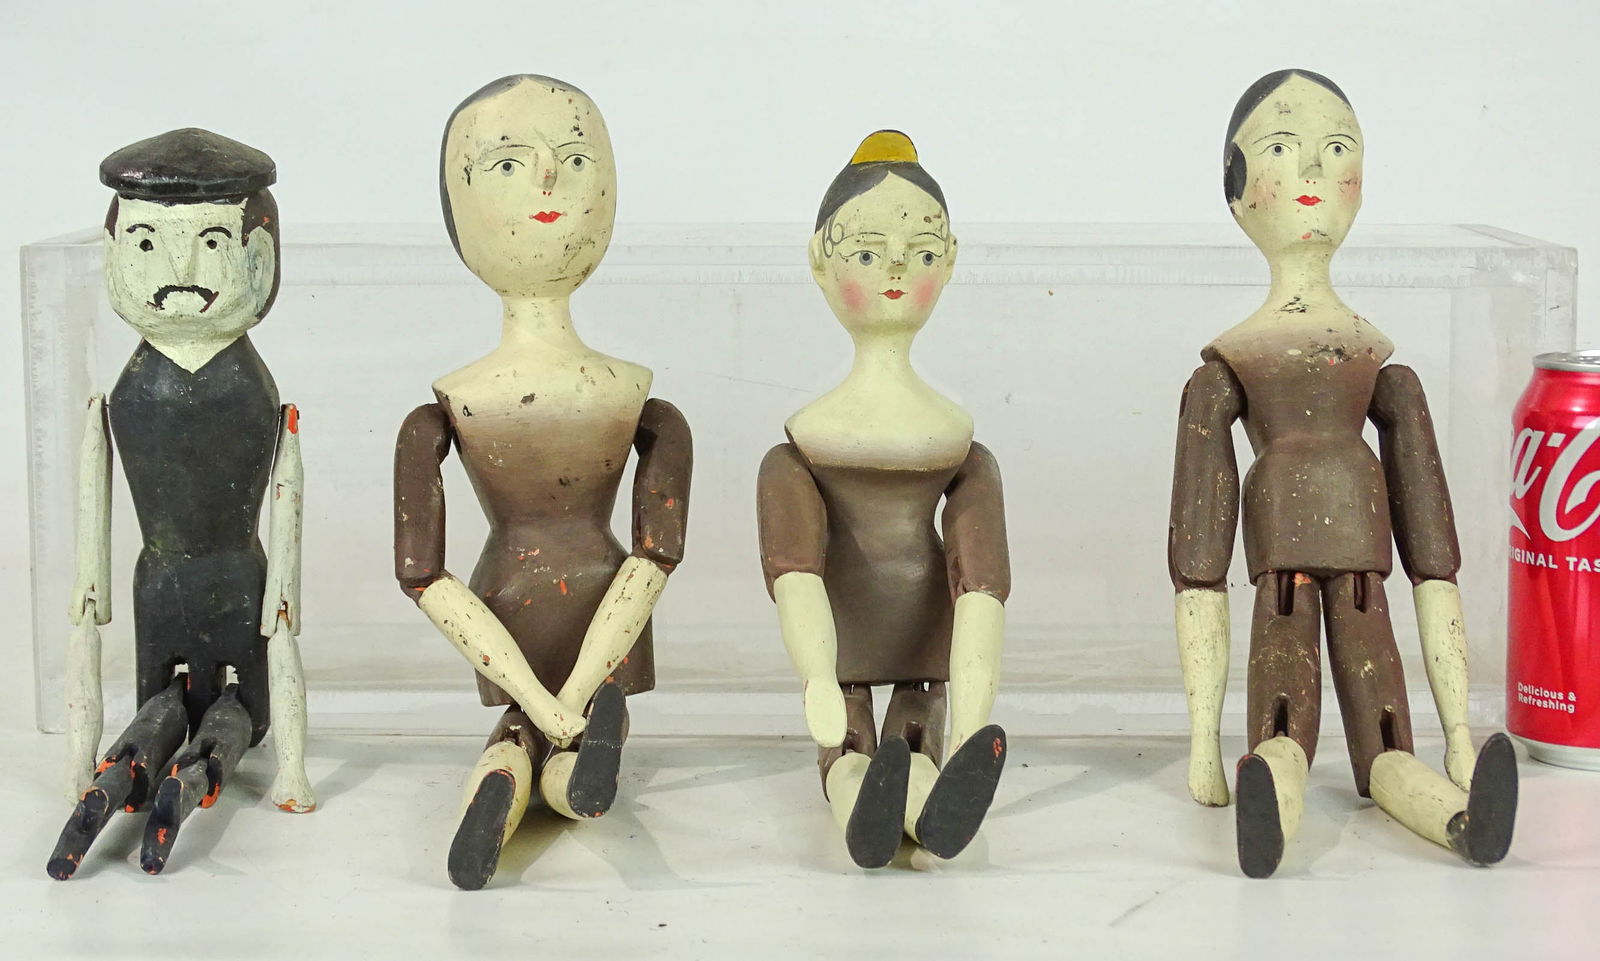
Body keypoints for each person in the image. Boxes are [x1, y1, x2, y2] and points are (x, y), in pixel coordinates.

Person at [1169, 69, 1517, 878]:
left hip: (1365, 573)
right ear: (1237, 188)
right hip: (1280, 574)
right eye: (1280, 149)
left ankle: (1461, 819)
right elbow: (1199, 559)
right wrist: (1202, 742)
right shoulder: (1227, 370)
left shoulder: (1382, 369)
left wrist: (1459, 734)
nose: (1311, 170)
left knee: (1388, 739)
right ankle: (1273, 796)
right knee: (1282, 721)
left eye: (1336, 149)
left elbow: (1433, 555)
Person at [394, 75, 692, 891]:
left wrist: (537, 695)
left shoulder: (451, 404)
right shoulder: (636, 398)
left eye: (573, 159)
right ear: (457, 210)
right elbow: (655, 556)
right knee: (590, 724)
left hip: (505, 601)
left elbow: (421, 574)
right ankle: (570, 774)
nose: (549, 181)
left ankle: (509, 765)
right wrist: (582, 686)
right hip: (606, 604)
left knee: (525, 723)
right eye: (507, 165)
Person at [50, 127, 311, 880]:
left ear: (260, 256)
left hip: (241, 582)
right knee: (158, 706)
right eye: (146, 244)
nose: (180, 274)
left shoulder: (248, 389)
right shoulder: (132, 390)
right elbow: (95, 481)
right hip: (155, 582)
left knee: (233, 714)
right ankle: (119, 774)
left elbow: (288, 488)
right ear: (112, 255)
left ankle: (190, 776)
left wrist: (282, 592)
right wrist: (89, 583)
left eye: (210, 244)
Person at [758, 130, 1010, 868]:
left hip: (922, 639)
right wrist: (816, 677)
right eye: (868, 254)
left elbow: (981, 586)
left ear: (950, 260)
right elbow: (796, 572)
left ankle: (924, 803)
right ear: (820, 261)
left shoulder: (961, 446)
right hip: (842, 639)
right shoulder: (800, 448)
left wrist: (973, 715)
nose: (897, 268)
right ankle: (869, 802)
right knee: (849, 748)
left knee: (911, 740)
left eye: (921, 252)